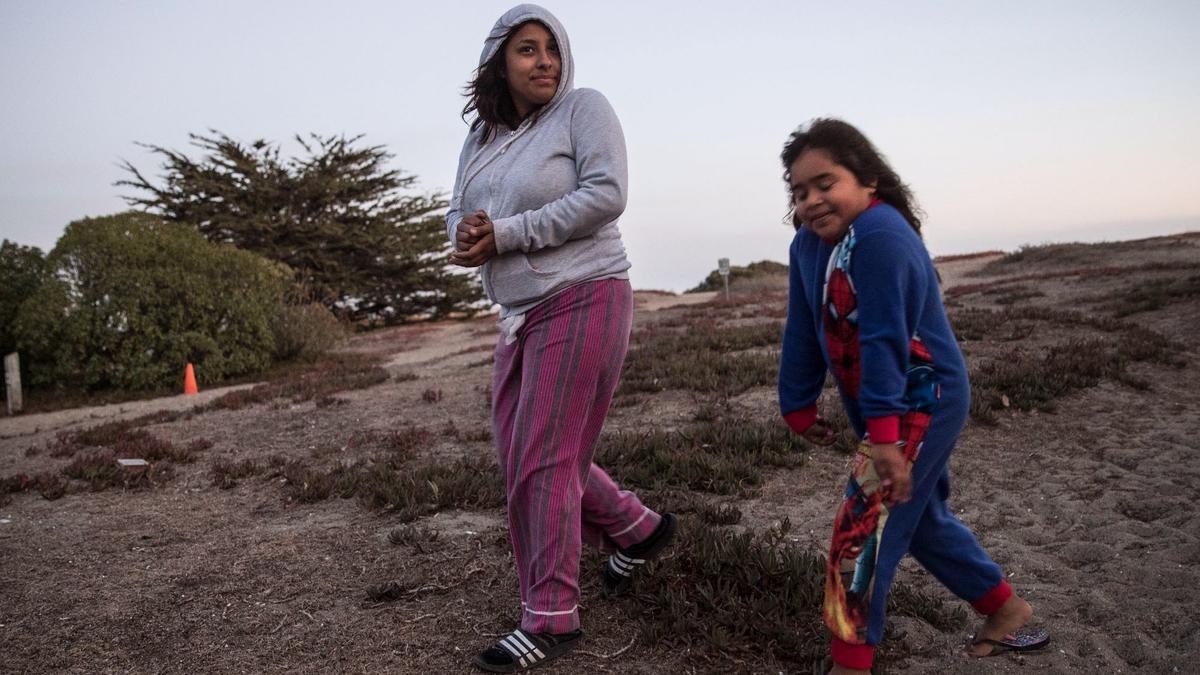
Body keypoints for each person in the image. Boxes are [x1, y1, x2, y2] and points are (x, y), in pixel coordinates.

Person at [447, 5, 676, 672]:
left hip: (585, 292)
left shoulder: (583, 109)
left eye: (551, 47)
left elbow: (607, 194)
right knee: (523, 451)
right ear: (500, 62)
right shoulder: (482, 135)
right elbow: (459, 206)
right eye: (527, 49)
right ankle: (638, 526)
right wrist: (465, 236)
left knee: (542, 459)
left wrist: (508, 233)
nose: (544, 59)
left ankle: (550, 615)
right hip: (518, 313)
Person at [776, 119, 1049, 674]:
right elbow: (801, 327)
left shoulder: (881, 236)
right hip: (883, 405)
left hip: (923, 395)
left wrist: (884, 440)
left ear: (868, 180)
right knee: (919, 518)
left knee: (860, 535)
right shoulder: (807, 245)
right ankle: (1006, 611)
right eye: (798, 191)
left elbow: (883, 343)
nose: (811, 200)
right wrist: (797, 403)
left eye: (825, 183)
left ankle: (850, 664)